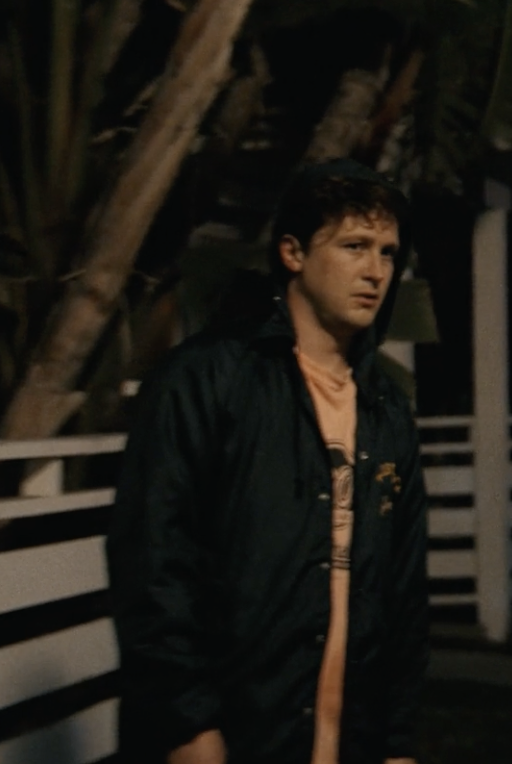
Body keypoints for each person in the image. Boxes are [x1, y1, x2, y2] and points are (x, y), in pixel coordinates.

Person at [108, 158, 429, 764]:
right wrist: (187, 725)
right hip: (232, 735)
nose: (376, 271)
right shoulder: (204, 380)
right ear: (293, 252)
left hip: (351, 741)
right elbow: (152, 562)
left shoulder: (387, 412)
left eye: (388, 252)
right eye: (354, 246)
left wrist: (397, 742)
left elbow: (404, 597)